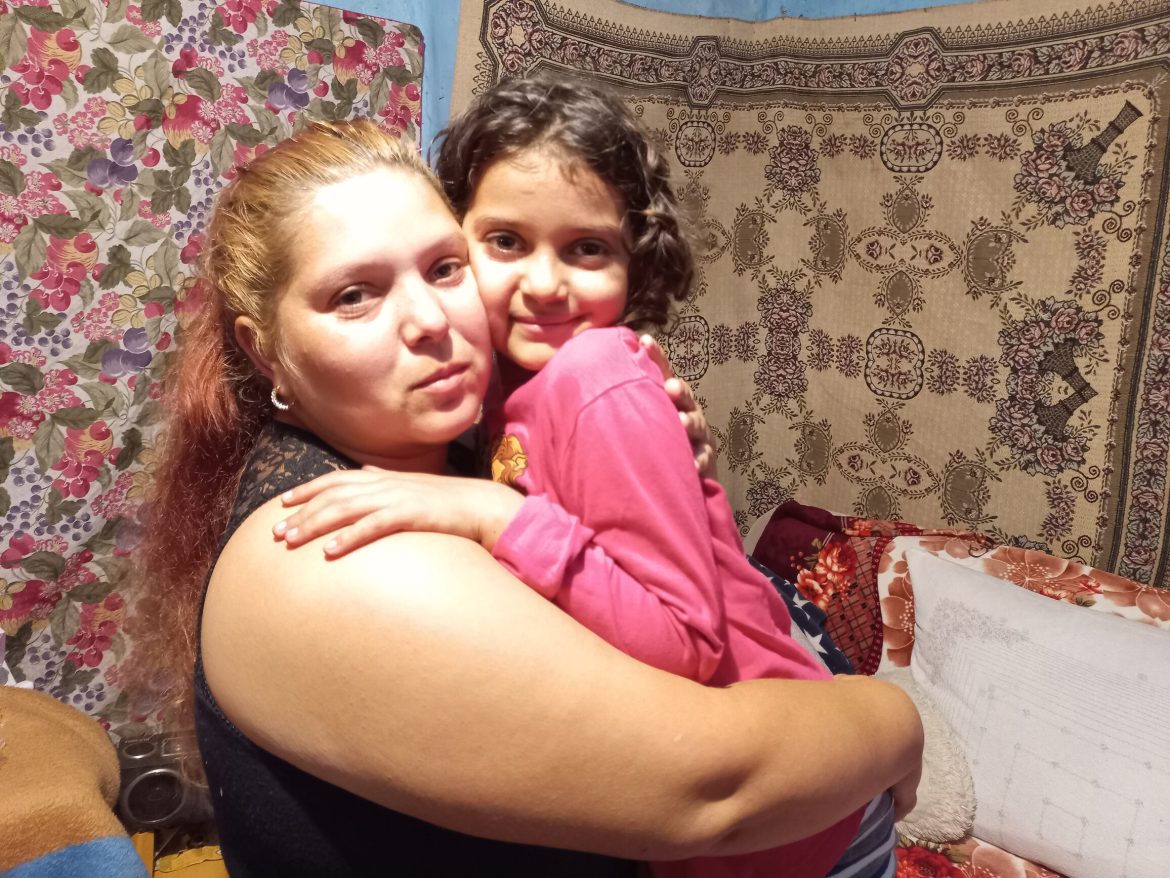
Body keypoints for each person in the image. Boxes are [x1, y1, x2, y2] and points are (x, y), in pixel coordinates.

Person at [133, 117, 922, 878]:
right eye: (354, 296)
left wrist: (666, 467)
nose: (429, 320)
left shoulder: (459, 448)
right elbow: (715, 789)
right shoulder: (335, 553)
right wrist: (896, 720)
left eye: (445, 269)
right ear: (264, 350)